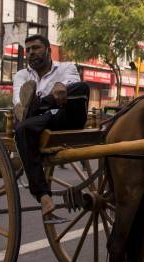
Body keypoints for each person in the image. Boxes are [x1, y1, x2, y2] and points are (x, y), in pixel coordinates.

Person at [13, 33, 89, 224]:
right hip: (39, 122)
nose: (31, 53)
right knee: (23, 127)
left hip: (67, 117)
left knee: (81, 87)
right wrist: (43, 104)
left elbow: (72, 84)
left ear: (48, 50)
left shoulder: (66, 67)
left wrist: (59, 86)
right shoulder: (22, 75)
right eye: (28, 50)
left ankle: (41, 103)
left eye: (36, 48)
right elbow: (19, 104)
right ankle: (44, 198)